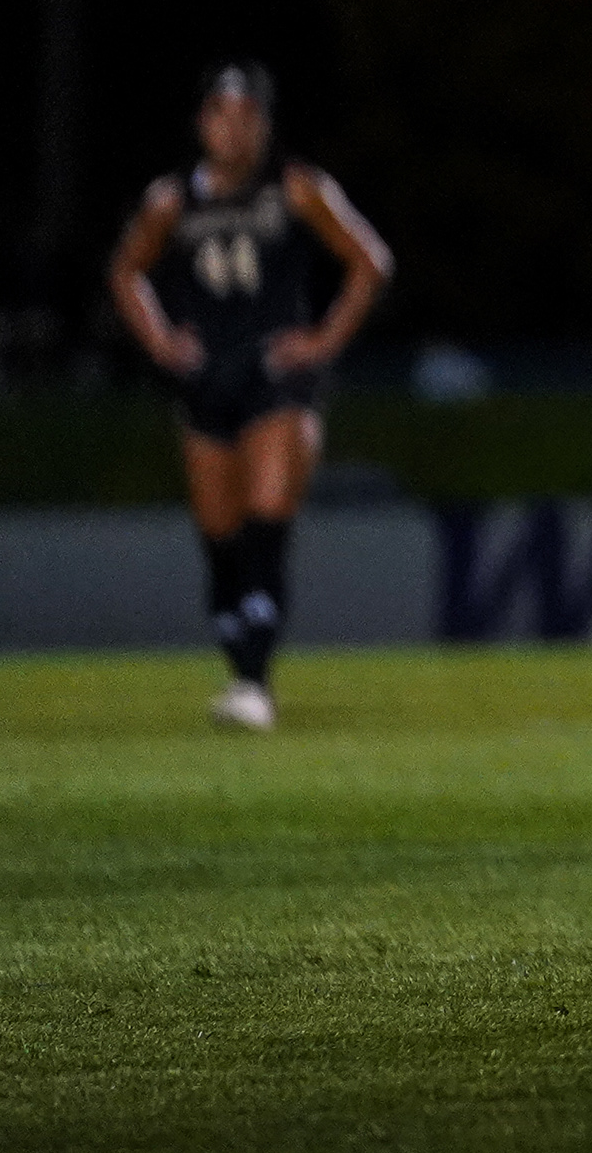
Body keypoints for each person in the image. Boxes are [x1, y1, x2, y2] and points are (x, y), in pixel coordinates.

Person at [105, 62, 394, 730]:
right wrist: (160, 341)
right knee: (221, 540)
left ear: (264, 125)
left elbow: (370, 260)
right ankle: (241, 668)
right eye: (220, 114)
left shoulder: (295, 188)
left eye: (246, 116)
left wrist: (322, 341)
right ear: (202, 123)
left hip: (274, 375)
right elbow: (126, 271)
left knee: (267, 522)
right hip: (207, 377)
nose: (232, 129)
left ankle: (253, 683)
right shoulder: (172, 200)